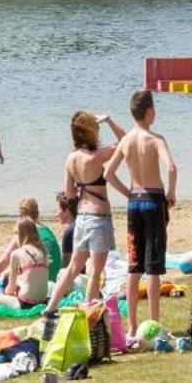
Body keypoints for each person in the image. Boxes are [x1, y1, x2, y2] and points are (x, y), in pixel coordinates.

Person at [44, 111, 122, 320]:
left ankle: (51, 308)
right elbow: (126, 142)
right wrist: (109, 120)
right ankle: (89, 315)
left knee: (73, 268)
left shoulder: (71, 158)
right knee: (95, 271)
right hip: (99, 218)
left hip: (82, 218)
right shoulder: (96, 156)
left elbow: (69, 194)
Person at [110, 89, 177, 330]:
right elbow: (171, 167)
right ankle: (154, 322)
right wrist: (171, 193)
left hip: (134, 201)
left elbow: (109, 174)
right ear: (149, 112)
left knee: (134, 265)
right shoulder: (156, 139)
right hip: (153, 198)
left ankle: (132, 325)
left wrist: (127, 193)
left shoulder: (126, 140)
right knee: (153, 266)